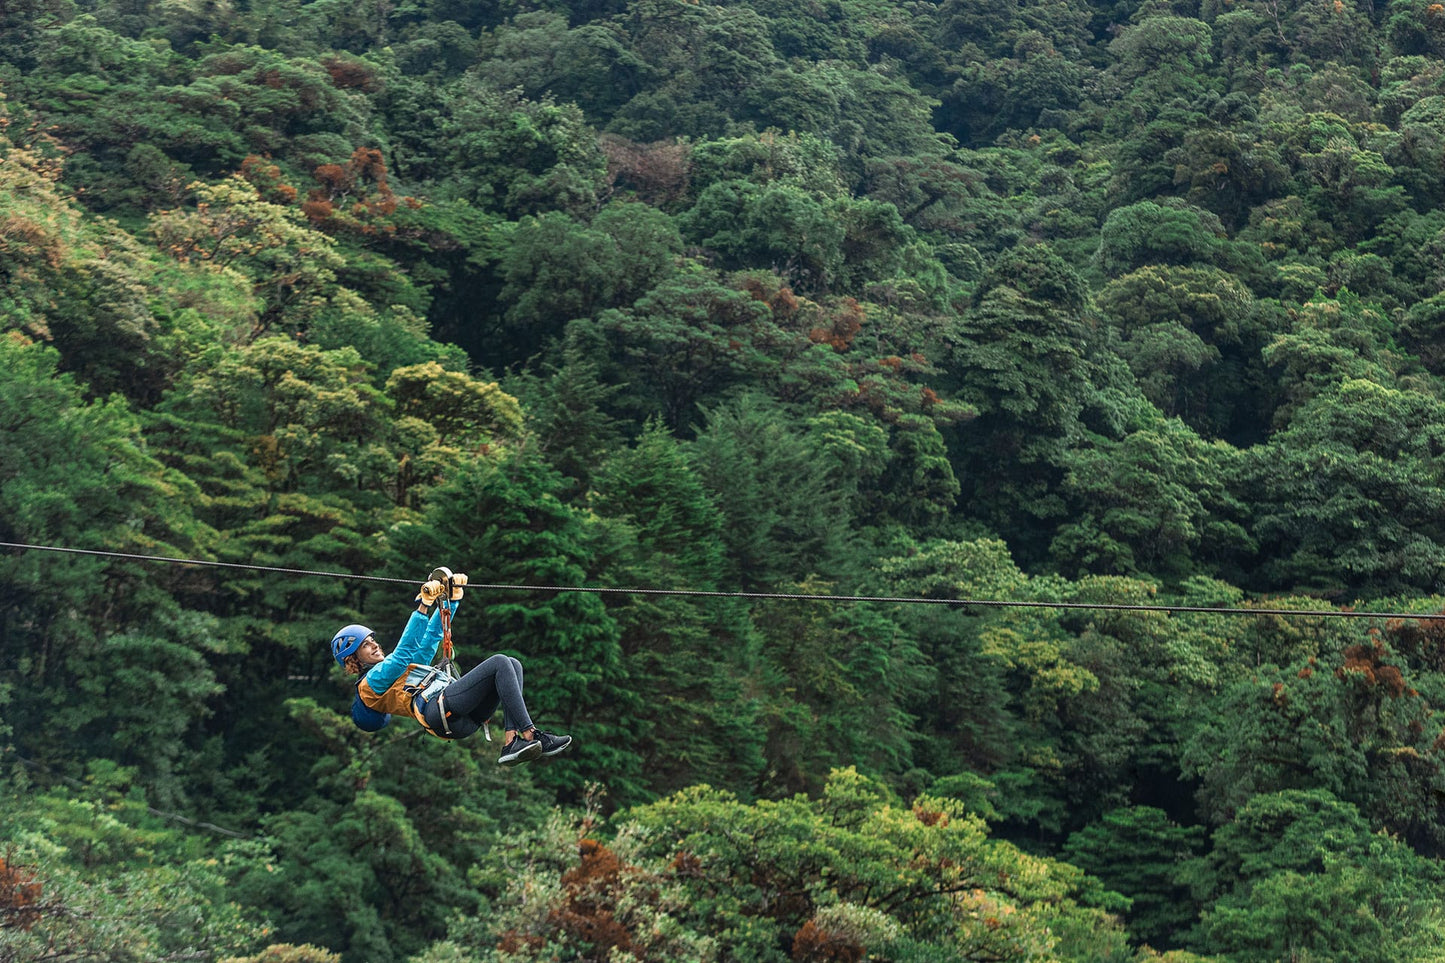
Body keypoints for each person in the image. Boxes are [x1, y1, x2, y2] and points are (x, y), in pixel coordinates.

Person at [330, 569, 572, 766]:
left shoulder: (403, 673)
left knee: (513, 664)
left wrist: (453, 599)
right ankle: (530, 733)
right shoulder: (369, 685)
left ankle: (512, 742)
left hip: (461, 717)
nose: (373, 645)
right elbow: (402, 655)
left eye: (372, 640)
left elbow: (431, 637)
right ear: (354, 660)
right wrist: (423, 605)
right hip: (439, 712)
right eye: (364, 646)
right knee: (499, 662)